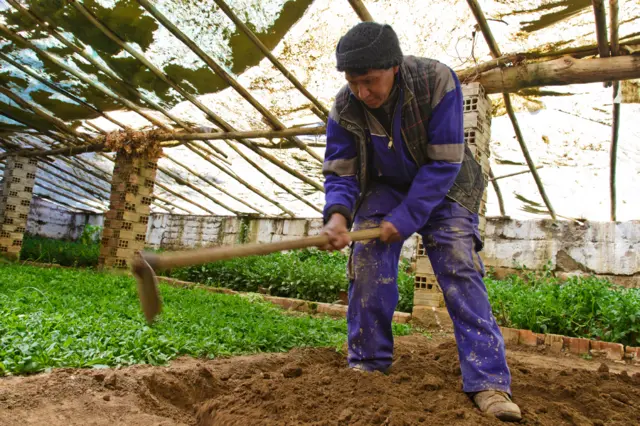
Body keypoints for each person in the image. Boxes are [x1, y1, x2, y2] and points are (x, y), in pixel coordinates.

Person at [319, 22, 522, 422]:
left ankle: (489, 382)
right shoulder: (344, 107)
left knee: (457, 260)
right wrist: (338, 216)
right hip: (386, 186)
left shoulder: (436, 80)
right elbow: (341, 173)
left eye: (370, 81)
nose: (362, 92)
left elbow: (446, 159)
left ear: (394, 66)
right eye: (353, 82)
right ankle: (368, 364)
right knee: (367, 262)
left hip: (444, 181)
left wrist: (409, 216)